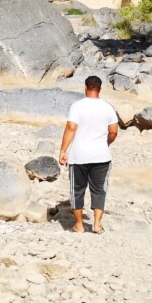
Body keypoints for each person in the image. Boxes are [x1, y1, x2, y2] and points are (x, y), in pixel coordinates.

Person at [58, 75, 119, 234]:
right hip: (101, 156)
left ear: (85, 88)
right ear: (100, 89)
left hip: (79, 156)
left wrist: (63, 151)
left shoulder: (77, 106)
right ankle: (97, 224)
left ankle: (79, 225)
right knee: (99, 190)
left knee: (77, 190)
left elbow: (71, 128)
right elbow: (113, 131)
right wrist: (106, 144)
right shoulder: (108, 107)